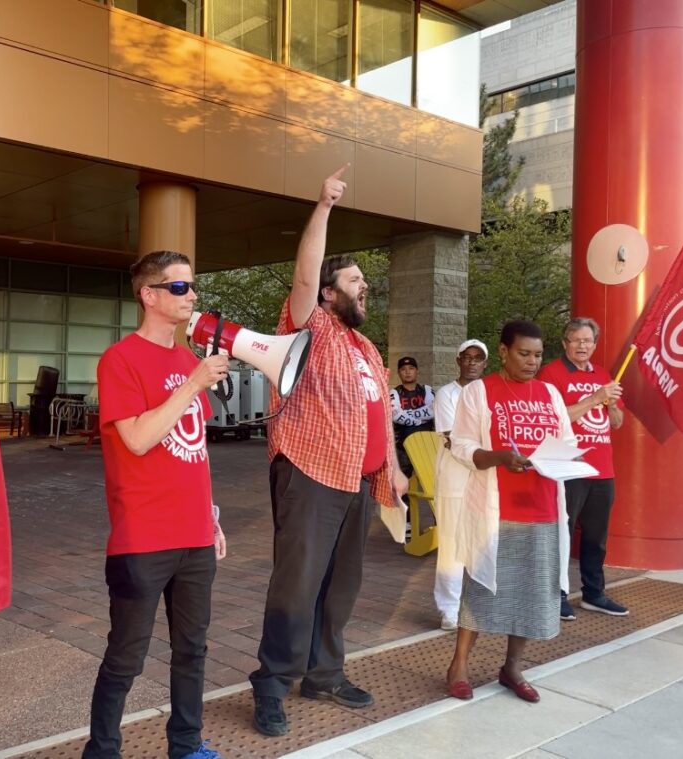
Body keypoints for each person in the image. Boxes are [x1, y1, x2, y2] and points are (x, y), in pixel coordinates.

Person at [250, 166, 408, 738]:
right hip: (311, 475)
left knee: (341, 587)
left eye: (366, 282)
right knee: (296, 584)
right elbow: (302, 272)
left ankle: (324, 674)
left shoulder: (366, 346)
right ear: (327, 290)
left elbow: (380, 414)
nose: (365, 287)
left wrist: (390, 469)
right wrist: (322, 207)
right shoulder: (306, 326)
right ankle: (271, 685)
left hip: (359, 483)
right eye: (355, 280)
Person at [82, 250, 228, 759]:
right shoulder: (120, 360)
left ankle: (185, 746)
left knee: (193, 650)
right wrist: (191, 385)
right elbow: (140, 439)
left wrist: (211, 516)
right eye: (180, 287)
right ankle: (101, 752)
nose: (191, 296)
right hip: (143, 537)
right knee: (126, 657)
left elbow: (196, 450)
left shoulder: (191, 361)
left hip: (194, 536)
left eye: (192, 286)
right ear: (149, 294)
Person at [445, 320, 576, 704]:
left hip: (544, 508)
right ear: (503, 351)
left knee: (533, 592)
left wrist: (560, 459)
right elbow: (462, 445)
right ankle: (459, 666)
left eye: (537, 354)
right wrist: (498, 457)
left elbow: (566, 442)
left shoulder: (550, 393)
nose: (532, 362)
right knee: (481, 590)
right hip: (496, 506)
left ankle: (512, 668)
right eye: (524, 353)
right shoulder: (479, 393)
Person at [538, 317, 626, 620]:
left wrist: (611, 404)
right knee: (561, 531)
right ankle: (556, 593)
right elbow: (554, 419)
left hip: (602, 469)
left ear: (595, 344)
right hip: (568, 466)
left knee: (596, 537)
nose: (582, 345)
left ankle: (594, 593)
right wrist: (594, 398)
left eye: (588, 340)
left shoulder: (604, 374)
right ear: (565, 343)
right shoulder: (551, 374)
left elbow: (617, 423)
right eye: (576, 340)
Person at [431, 339, 488, 631]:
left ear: (485, 363)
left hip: (483, 475)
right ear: (459, 361)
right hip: (455, 476)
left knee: (481, 540)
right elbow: (454, 438)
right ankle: (449, 609)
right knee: (452, 543)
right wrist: (489, 456)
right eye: (467, 357)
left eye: (478, 358)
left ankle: (477, 603)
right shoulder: (447, 394)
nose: (473, 363)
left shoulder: (488, 395)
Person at [390, 357, 436, 480]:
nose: (408, 372)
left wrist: (409, 415)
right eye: (403, 369)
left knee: (430, 478)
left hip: (427, 443)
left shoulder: (427, 390)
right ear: (399, 373)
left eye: (411, 368)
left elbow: (433, 410)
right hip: (403, 446)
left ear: (417, 371)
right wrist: (419, 419)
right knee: (404, 478)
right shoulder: (394, 393)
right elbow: (396, 415)